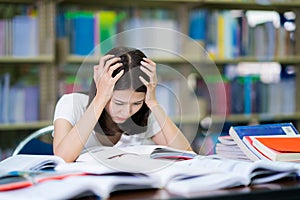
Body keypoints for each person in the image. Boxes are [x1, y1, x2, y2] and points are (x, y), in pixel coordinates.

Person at [53, 47, 192, 162]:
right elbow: (62, 158)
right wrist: (100, 98)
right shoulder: (72, 104)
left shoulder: (144, 112)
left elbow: (187, 155)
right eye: (118, 103)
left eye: (137, 102)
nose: (127, 112)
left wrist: (153, 102)